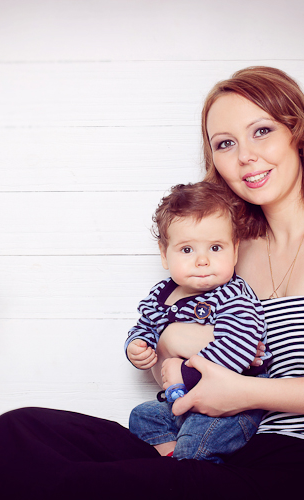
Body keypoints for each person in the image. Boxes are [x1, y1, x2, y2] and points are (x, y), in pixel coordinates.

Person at [0, 66, 304, 500]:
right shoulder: (229, 251)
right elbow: (174, 363)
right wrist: (167, 340)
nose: (245, 156)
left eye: (262, 131)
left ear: (298, 134)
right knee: (18, 433)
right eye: (225, 143)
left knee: (84, 487)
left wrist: (242, 392)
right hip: (225, 448)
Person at [125, 181, 269, 463]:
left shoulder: (232, 295)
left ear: (235, 251)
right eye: (187, 250)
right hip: (185, 401)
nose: (202, 260)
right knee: (143, 416)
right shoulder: (162, 294)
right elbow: (146, 325)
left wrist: (184, 373)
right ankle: (171, 463)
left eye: (215, 247)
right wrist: (138, 344)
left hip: (232, 408)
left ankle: (191, 471)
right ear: (164, 254)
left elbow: (239, 349)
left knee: (196, 442)